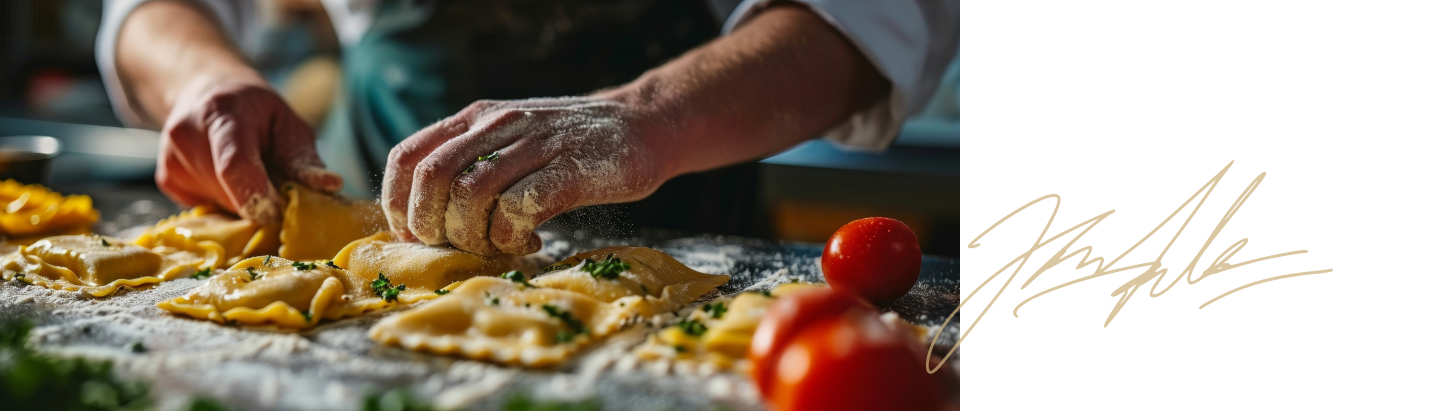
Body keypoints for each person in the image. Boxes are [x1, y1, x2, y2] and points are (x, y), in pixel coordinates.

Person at [98, 0, 958, 256]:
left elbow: (874, 17)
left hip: (689, 225)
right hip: (380, 242)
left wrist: (650, 117)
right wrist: (208, 79)